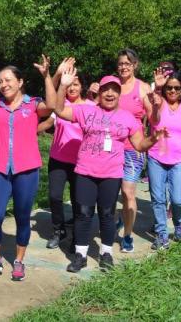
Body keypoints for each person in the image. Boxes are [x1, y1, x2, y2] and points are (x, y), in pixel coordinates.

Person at [54, 72, 164, 272]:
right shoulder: (86, 110)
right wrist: (63, 85)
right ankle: (80, 255)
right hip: (85, 172)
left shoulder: (128, 118)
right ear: (100, 93)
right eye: (106, 89)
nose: (110, 93)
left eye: (114, 90)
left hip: (111, 174)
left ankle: (106, 253)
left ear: (119, 94)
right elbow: (59, 110)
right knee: (83, 214)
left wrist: (154, 138)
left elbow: (139, 144)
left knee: (107, 214)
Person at [0, 51, 57, 282]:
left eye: (8, 80)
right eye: (0, 81)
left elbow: (53, 104)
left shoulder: (33, 105)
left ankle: (19, 261)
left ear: (20, 82)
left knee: (23, 217)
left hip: (26, 170)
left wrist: (46, 76)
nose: (3, 85)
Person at [40, 57, 90, 249]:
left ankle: (77, 235)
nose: (72, 88)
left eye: (76, 84)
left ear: (81, 86)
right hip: (58, 159)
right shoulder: (60, 106)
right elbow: (48, 122)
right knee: (54, 196)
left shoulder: (90, 107)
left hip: (81, 162)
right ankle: (58, 230)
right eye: (68, 85)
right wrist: (31, 129)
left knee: (79, 201)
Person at [146, 71, 181, 250]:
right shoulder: (159, 102)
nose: (172, 91)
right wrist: (157, 91)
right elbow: (154, 119)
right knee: (158, 199)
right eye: (169, 87)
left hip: (180, 158)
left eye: (176, 88)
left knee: (178, 199)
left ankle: (179, 224)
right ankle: (162, 234)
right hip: (156, 157)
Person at [114, 49, 153, 253]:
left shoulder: (143, 88)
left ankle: (127, 235)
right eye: (121, 63)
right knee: (112, 193)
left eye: (128, 63)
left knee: (128, 192)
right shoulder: (111, 86)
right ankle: (118, 219)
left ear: (135, 65)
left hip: (132, 149)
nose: (124, 67)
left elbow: (154, 117)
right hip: (110, 149)